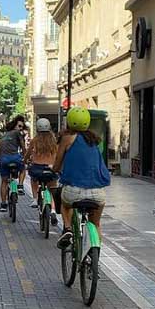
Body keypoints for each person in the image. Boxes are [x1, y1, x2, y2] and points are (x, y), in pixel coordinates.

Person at [53, 107, 110, 249]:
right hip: (98, 193)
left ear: (69, 122)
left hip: (74, 191)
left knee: (65, 205)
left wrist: (55, 170)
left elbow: (57, 164)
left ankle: (67, 229)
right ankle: (95, 255)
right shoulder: (94, 140)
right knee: (95, 223)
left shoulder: (67, 138)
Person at [25, 118, 59, 222]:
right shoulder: (54, 140)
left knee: (33, 178)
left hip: (37, 168)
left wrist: (25, 160)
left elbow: (28, 153)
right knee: (52, 190)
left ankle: (35, 199)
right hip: (51, 168)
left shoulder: (35, 140)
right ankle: (53, 211)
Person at [0, 115, 27, 212]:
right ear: (15, 126)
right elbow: (23, 146)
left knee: (4, 182)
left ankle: (3, 204)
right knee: (23, 168)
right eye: (19, 126)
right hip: (15, 158)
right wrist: (25, 157)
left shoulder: (4, 135)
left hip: (4, 160)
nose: (20, 128)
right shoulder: (17, 133)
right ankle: (20, 186)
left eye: (22, 127)